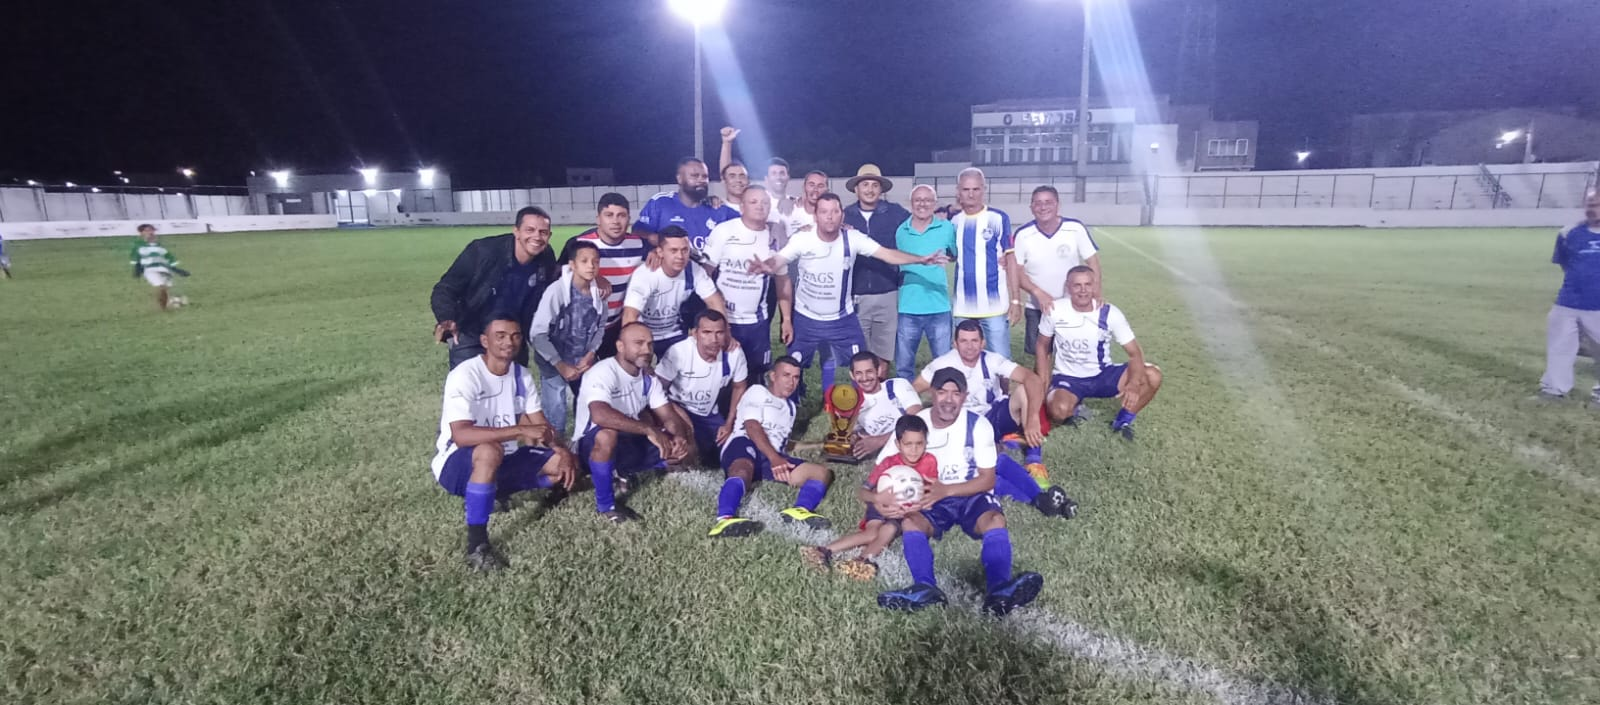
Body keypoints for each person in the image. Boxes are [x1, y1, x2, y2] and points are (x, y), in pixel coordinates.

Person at [875, 369, 1044, 616]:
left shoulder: (978, 425)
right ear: (932, 393)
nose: (948, 399)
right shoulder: (914, 425)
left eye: (956, 393)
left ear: (964, 396)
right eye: (942, 392)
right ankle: (925, 588)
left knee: (995, 519)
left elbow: (987, 480)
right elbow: (884, 469)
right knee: (911, 522)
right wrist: (884, 501)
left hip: (969, 491)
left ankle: (999, 591)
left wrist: (947, 490)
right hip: (928, 494)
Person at [749, 193, 949, 399]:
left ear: (842, 215)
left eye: (835, 211)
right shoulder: (802, 239)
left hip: (841, 319)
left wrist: (921, 259)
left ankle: (867, 406)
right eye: (824, 212)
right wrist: (767, 265)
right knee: (791, 367)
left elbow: (887, 254)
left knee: (863, 365)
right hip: (806, 319)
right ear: (815, 216)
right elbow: (780, 259)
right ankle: (788, 406)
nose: (830, 217)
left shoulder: (853, 238)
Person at [430, 317, 578, 571]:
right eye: (500, 336)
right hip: (456, 465)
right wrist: (520, 429)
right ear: (485, 341)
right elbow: (462, 435)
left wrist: (562, 451)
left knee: (565, 464)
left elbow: (541, 426)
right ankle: (477, 545)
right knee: (489, 450)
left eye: (515, 336)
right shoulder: (465, 374)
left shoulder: (521, 375)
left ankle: (498, 491)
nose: (509, 342)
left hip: (505, 460)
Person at [573, 323, 694, 523]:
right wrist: (649, 429)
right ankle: (606, 506)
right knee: (607, 434)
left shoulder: (648, 379)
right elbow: (600, 415)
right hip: (589, 446)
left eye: (650, 344)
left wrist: (678, 438)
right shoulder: (603, 372)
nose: (647, 350)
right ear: (620, 346)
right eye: (638, 343)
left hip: (626, 441)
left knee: (676, 448)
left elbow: (668, 415)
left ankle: (621, 472)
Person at [800, 414, 938, 581]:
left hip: (905, 511)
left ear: (926, 443)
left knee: (889, 529)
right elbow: (863, 491)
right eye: (908, 444)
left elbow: (932, 493)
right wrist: (878, 499)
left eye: (919, 444)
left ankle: (861, 561)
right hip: (881, 502)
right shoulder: (888, 463)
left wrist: (916, 507)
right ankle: (823, 550)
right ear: (897, 444)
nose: (914, 450)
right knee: (872, 532)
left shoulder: (930, 461)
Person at [708, 356, 836, 537]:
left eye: (796, 377)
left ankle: (799, 511)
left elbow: (783, 442)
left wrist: (820, 444)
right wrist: (775, 458)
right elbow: (752, 427)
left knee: (821, 473)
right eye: (786, 375)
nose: (791, 382)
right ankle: (725, 519)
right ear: (773, 376)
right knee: (743, 469)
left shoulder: (790, 408)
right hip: (745, 444)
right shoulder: (758, 392)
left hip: (771, 456)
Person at [1037, 266, 1164, 441]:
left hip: (1103, 375)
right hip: (1068, 377)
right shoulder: (1055, 310)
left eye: (1088, 284)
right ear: (1068, 286)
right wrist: (1043, 383)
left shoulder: (1110, 313)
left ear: (1095, 285)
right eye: (1077, 285)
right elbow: (1042, 346)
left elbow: (1135, 353)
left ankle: (1123, 421)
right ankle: (1074, 406)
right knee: (1058, 411)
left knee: (1152, 375)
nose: (1083, 290)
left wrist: (1134, 383)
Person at [432, 206, 567, 368]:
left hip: (513, 337)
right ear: (516, 231)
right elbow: (445, 288)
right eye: (529, 230)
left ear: (549, 236)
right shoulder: (482, 251)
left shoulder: (546, 257)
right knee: (468, 389)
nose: (537, 237)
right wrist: (447, 318)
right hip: (472, 334)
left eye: (543, 232)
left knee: (514, 390)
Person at [703, 185, 782, 382]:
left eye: (764, 202)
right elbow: (706, 272)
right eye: (753, 202)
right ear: (742, 207)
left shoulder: (775, 236)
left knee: (755, 372)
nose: (760, 206)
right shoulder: (724, 231)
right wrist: (712, 309)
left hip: (757, 322)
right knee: (721, 372)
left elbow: (782, 277)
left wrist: (786, 318)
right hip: (726, 318)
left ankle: (753, 409)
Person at [1013, 185, 1101, 359]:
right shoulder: (1023, 235)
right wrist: (1038, 293)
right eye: (1037, 203)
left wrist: (1095, 294)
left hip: (1072, 306)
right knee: (1040, 356)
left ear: (1057, 205)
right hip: (1038, 307)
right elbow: (1017, 273)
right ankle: (1043, 386)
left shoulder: (1075, 228)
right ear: (1031, 207)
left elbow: (1093, 263)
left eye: (1048, 202)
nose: (1043, 207)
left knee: (1075, 354)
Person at [529, 240, 607, 433]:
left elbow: (600, 327)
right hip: (553, 363)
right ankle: (554, 451)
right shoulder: (556, 292)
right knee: (556, 409)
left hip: (581, 362)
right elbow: (537, 333)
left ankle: (581, 445)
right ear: (572, 264)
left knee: (586, 404)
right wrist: (559, 364)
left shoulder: (600, 295)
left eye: (595, 261)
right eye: (584, 261)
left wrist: (591, 353)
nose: (591, 266)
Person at [657, 310, 749, 465]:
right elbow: (657, 390)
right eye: (707, 332)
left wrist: (728, 424)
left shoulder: (734, 354)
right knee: (685, 455)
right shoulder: (679, 352)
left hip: (708, 414)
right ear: (695, 333)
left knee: (733, 449)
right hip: (678, 409)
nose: (714, 339)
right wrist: (679, 416)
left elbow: (740, 387)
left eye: (719, 333)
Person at [844, 164, 912, 370]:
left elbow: (917, 230)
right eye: (865, 184)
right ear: (856, 188)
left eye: (875, 184)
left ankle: (881, 396)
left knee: (883, 354)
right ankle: (860, 400)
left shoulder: (896, 213)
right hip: (856, 294)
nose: (870, 189)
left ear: (881, 189)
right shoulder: (844, 215)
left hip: (887, 292)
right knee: (860, 355)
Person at [622, 226, 727, 358]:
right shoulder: (645, 275)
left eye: (684, 250)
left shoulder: (693, 270)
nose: (680, 256)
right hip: (646, 336)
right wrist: (634, 352)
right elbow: (629, 316)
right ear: (660, 252)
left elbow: (714, 301)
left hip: (676, 334)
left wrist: (726, 335)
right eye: (673, 250)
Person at [1537, 189, 1600, 408]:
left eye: (1597, 205)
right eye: (1590, 204)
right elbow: (1565, 263)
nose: (1593, 209)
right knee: (1560, 347)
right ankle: (1554, 389)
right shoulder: (1568, 233)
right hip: (1568, 302)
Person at [561, 193, 644, 358]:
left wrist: (657, 253)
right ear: (598, 219)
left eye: (621, 215)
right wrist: (593, 277)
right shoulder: (578, 243)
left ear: (629, 219)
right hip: (581, 328)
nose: (615, 221)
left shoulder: (640, 244)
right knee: (580, 378)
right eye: (609, 215)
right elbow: (560, 275)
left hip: (615, 326)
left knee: (616, 376)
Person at [949, 168, 1020, 357]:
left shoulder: (998, 218)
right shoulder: (953, 222)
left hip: (994, 305)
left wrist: (1015, 299)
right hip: (963, 305)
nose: (971, 194)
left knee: (1001, 360)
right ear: (958, 191)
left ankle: (1002, 389)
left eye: (976, 189)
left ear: (984, 189)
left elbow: (1011, 259)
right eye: (966, 189)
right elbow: (951, 255)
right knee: (963, 359)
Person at [894, 184, 959, 376]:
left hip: (938, 307)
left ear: (935, 203)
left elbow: (954, 254)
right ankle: (905, 403)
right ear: (911, 203)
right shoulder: (901, 231)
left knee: (944, 364)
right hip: (908, 307)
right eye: (918, 200)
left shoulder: (947, 228)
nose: (922, 204)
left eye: (927, 200)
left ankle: (944, 402)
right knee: (904, 366)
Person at [634, 157, 729, 252]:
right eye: (695, 176)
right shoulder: (661, 202)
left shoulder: (717, 207)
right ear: (679, 179)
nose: (701, 180)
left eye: (705, 176)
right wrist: (655, 240)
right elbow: (637, 231)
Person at [845, 352, 922, 461]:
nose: (865, 378)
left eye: (869, 371)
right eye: (859, 373)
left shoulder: (898, 385)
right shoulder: (851, 403)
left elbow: (917, 419)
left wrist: (880, 440)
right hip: (888, 456)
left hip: (916, 447)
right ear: (852, 375)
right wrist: (854, 439)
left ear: (879, 371)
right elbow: (853, 434)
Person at [130, 224, 190, 312]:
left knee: (165, 289)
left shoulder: (159, 246)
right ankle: (165, 307)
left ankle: (166, 306)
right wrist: (137, 269)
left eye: (152, 230)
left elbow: (168, 259)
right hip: (150, 270)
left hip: (164, 271)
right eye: (147, 230)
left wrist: (177, 270)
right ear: (141, 233)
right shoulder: (138, 246)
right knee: (160, 287)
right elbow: (136, 259)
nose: (150, 232)